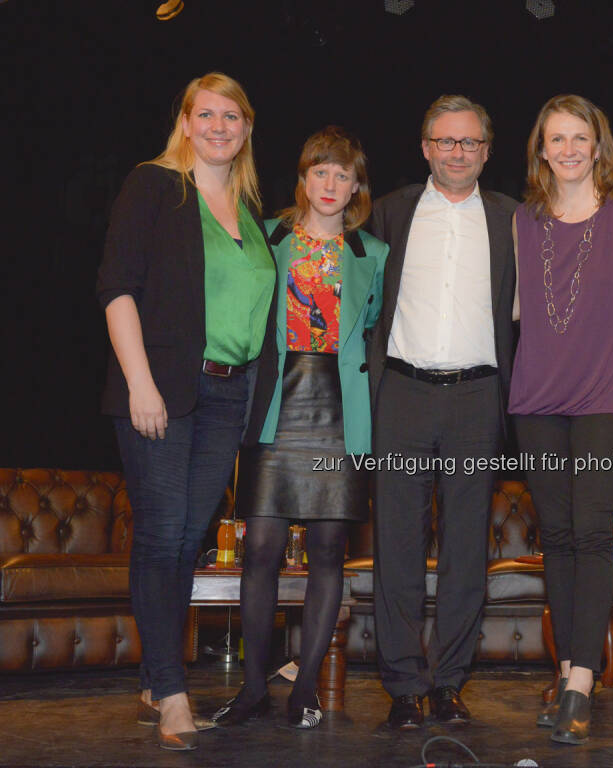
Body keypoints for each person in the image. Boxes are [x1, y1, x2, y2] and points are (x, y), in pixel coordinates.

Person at [96, 72, 277, 751]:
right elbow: (117, 288)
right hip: (163, 387)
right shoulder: (155, 186)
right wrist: (140, 383)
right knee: (161, 534)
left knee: (186, 538)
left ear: (247, 127)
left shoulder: (250, 208)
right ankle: (172, 693)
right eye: (206, 114)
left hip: (228, 396)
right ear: (184, 122)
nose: (218, 126)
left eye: (232, 116)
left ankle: (155, 678)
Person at [212, 127, 387, 729]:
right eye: (321, 171)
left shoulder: (373, 254)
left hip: (341, 408)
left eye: (343, 174)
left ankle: (305, 688)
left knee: (329, 550)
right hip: (275, 400)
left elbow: (374, 333)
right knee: (260, 547)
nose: (331, 183)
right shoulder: (268, 237)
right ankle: (252, 688)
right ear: (303, 178)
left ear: (356, 186)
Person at [510, 94, 613, 745]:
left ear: (598, 146)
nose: (569, 149)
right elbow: (519, 307)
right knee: (559, 537)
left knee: (593, 532)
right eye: (557, 139)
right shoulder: (523, 220)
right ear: (542, 151)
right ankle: (568, 668)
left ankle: (580, 681)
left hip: (604, 396)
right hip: (536, 398)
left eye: (580, 137)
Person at [366, 95, 517, 730]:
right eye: (446, 141)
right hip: (401, 394)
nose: (458, 152)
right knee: (397, 543)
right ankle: (403, 686)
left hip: (478, 396)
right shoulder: (387, 213)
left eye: (470, 142)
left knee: (466, 547)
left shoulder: (513, 219)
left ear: (486, 151)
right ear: (426, 148)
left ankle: (450, 683)